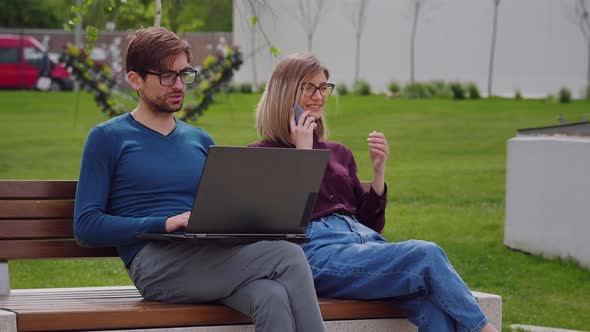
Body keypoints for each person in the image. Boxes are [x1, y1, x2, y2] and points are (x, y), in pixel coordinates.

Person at [73, 28, 326, 332]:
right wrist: (164, 223)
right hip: (155, 263)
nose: (179, 84)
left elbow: (222, 203)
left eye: (184, 74)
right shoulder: (107, 138)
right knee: (287, 255)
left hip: (210, 254)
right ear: (135, 80)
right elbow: (86, 226)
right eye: (167, 76)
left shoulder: (199, 139)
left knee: (270, 296)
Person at [249, 52, 499, 332]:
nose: (319, 96)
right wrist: (302, 155)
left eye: (323, 87)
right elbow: (280, 226)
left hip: (366, 245)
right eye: (308, 87)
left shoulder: (339, 152)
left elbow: (370, 223)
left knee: (431, 303)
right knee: (426, 254)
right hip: (317, 255)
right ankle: (485, 329)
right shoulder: (261, 155)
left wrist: (378, 173)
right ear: (285, 92)